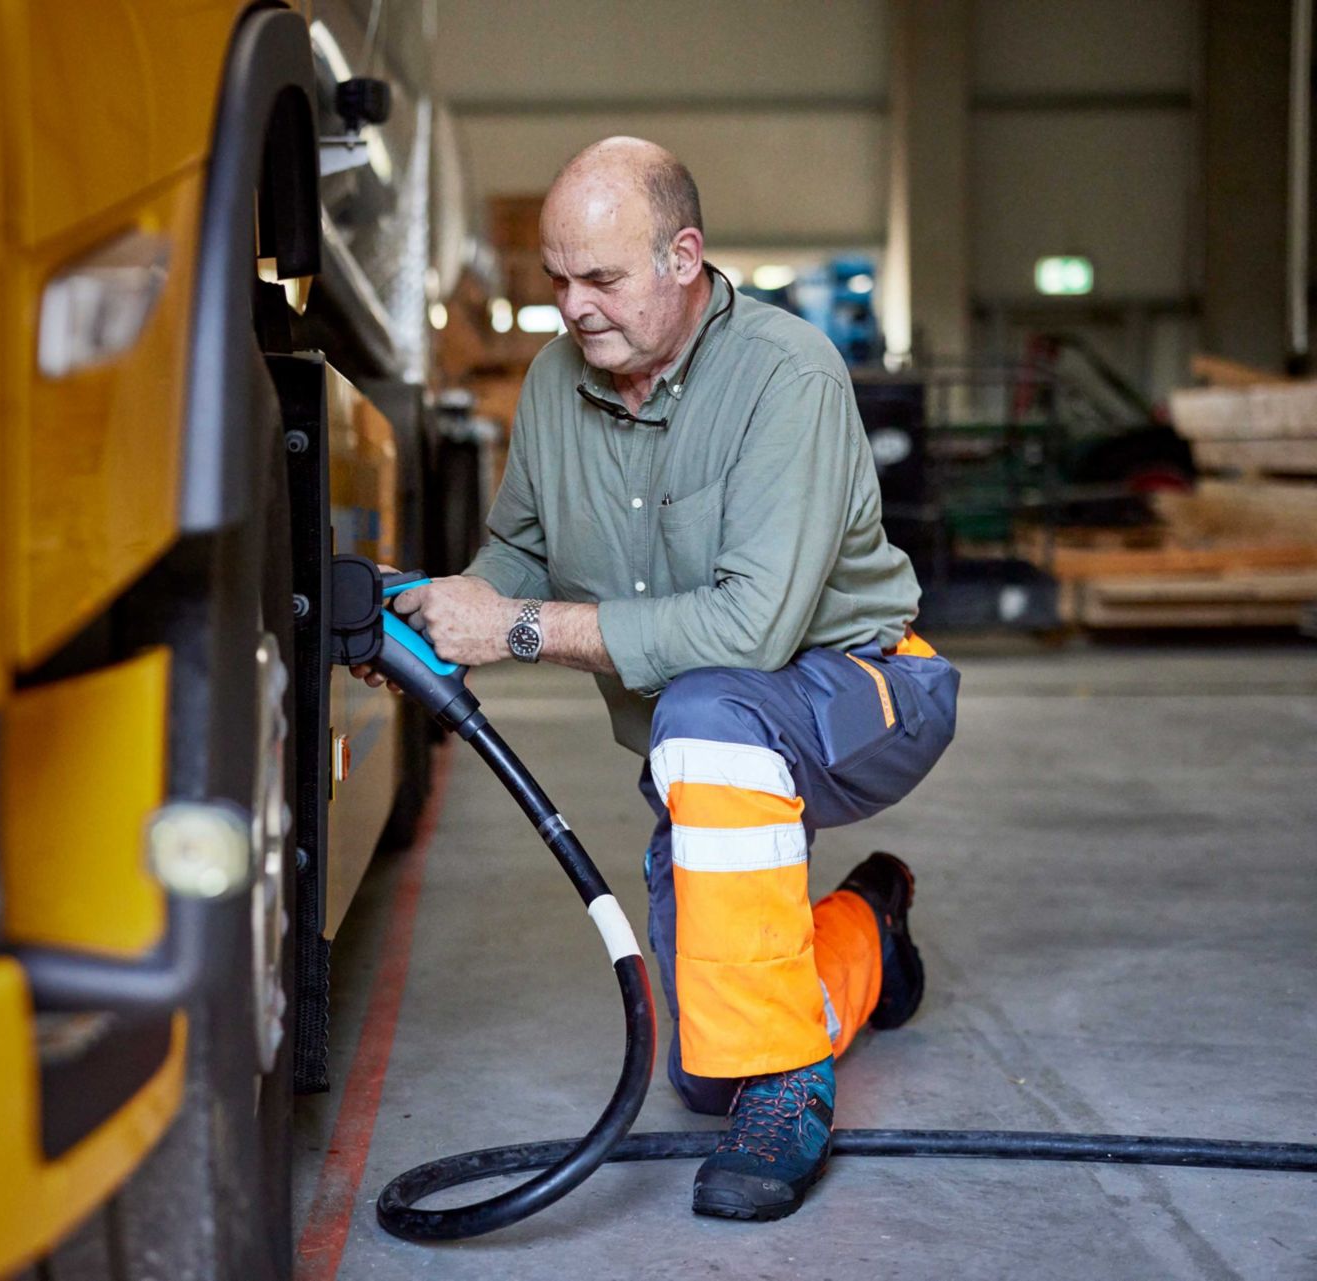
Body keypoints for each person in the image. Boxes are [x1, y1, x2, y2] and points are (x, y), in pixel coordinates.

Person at [361, 137, 960, 1221]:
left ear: (684, 257)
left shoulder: (786, 375)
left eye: (601, 279)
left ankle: (788, 1095)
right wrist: (442, 613)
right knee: (705, 1064)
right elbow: (521, 558)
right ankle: (869, 924)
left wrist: (520, 633)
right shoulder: (555, 381)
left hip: (873, 691)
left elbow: (752, 627)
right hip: (718, 732)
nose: (572, 307)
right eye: (556, 280)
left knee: (706, 712)